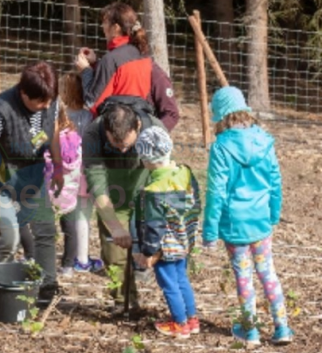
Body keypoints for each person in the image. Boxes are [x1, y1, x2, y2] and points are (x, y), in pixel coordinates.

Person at [203, 86, 294, 345]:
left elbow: (216, 192)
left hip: (235, 227)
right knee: (268, 273)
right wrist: (273, 215)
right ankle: (282, 328)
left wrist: (210, 232)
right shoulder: (265, 141)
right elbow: (275, 183)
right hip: (260, 222)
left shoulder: (220, 148)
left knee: (243, 277)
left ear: (220, 116)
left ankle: (251, 331)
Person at [0, 61, 63, 307]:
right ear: (23, 93)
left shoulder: (50, 101)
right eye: (39, 102)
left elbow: (52, 130)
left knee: (45, 231)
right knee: (10, 237)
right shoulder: (0, 110)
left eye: (49, 101)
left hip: (32, 175)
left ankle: (47, 286)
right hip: (0, 177)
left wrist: (58, 165)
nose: (45, 106)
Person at [82, 95, 166, 312]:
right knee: (113, 255)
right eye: (115, 145)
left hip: (147, 194)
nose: (121, 150)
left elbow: (164, 176)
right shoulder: (93, 134)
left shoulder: (154, 129)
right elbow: (98, 188)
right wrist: (117, 228)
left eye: (126, 145)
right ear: (106, 132)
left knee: (160, 253)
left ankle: (176, 311)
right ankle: (125, 305)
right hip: (113, 197)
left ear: (137, 126)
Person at [131, 126, 201, 339]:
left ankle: (180, 324)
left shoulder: (154, 190)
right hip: (184, 239)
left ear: (146, 160)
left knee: (169, 284)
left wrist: (148, 251)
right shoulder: (186, 173)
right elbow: (196, 203)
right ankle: (192, 319)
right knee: (182, 279)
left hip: (166, 247)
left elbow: (154, 226)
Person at [74, 2, 180, 132]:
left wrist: (86, 71)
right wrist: (96, 64)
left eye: (105, 22)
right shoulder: (144, 57)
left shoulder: (111, 60)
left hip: (114, 138)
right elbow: (172, 113)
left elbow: (91, 103)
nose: (102, 26)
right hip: (138, 135)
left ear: (116, 28)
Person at [50, 73, 102, 277]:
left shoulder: (60, 117)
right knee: (83, 215)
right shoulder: (90, 116)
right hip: (85, 171)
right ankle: (81, 259)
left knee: (65, 215)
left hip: (63, 174)